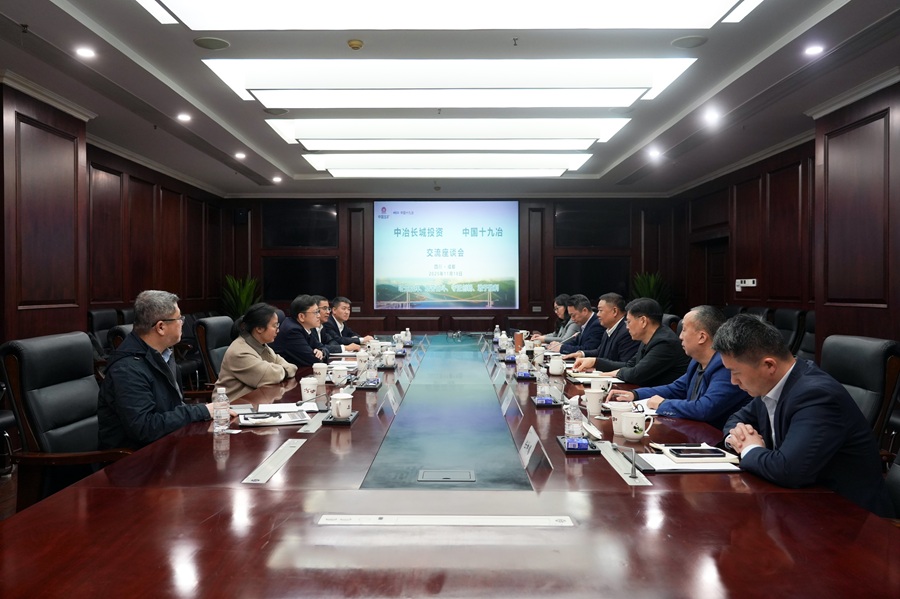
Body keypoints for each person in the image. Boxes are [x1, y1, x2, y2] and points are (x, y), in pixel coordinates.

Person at [714, 314, 893, 517]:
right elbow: (735, 420)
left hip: (851, 517)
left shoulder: (816, 395)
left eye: (736, 372)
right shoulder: (771, 385)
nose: (733, 381)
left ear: (769, 365)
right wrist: (736, 438)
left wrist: (749, 448)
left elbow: (788, 471)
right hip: (801, 504)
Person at [97, 290, 227, 450]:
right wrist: (201, 411)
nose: (182, 323)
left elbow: (174, 406)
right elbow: (145, 428)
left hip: (168, 445)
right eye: (179, 319)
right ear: (161, 327)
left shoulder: (164, 355)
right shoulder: (127, 369)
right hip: (135, 459)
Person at [607, 305, 751, 429]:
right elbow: (676, 389)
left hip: (715, 439)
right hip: (693, 431)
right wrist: (635, 395)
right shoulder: (696, 362)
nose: (680, 336)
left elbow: (705, 408)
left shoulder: (725, 366)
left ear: (702, 337)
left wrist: (663, 404)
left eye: (684, 330)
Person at [574, 297, 689, 387]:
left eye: (628, 322)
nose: (627, 327)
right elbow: (629, 365)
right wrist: (595, 362)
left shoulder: (664, 343)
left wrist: (614, 373)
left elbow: (636, 374)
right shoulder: (649, 338)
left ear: (643, 321)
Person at [216, 302, 298, 400]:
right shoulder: (239, 352)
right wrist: (284, 371)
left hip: (255, 400)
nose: (278, 330)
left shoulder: (261, 345)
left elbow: (292, 367)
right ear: (259, 328)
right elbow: (270, 376)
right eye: (275, 326)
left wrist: (281, 370)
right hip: (232, 404)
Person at [563, 292, 639, 367]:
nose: (598, 314)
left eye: (600, 310)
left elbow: (625, 365)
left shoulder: (627, 331)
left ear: (615, 311)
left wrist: (596, 362)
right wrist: (582, 354)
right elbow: (600, 351)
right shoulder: (608, 329)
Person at [270, 294, 331, 366]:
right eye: (315, 312)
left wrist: (322, 352)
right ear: (301, 316)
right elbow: (313, 360)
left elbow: (322, 347)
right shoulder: (292, 331)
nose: (319, 316)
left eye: (318, 311)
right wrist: (320, 355)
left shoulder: (305, 327)